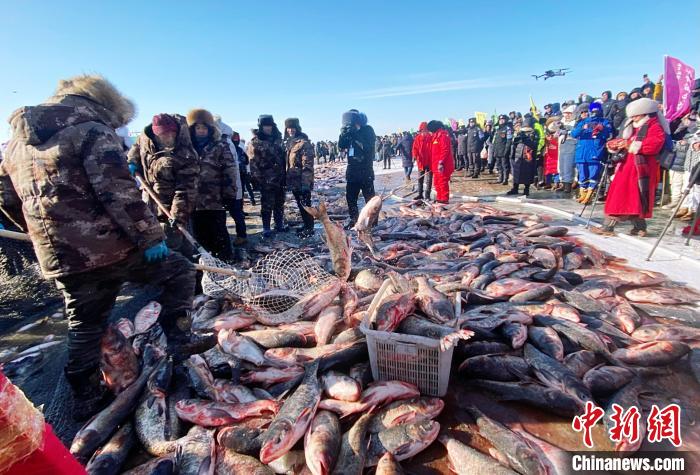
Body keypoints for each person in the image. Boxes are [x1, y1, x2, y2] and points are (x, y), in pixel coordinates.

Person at [0, 75, 195, 420]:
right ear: (106, 104)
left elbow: (6, 197)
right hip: (111, 247)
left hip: (62, 255)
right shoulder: (90, 129)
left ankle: (86, 397)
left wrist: (39, 237)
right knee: (180, 271)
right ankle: (179, 346)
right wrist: (150, 237)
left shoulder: (15, 145)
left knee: (85, 324)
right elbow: (117, 191)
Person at [593, 98, 667, 237]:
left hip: (640, 168)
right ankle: (640, 228)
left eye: (636, 115)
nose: (633, 117)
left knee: (624, 195)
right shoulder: (633, 125)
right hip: (628, 166)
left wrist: (629, 145)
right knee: (634, 197)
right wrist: (615, 144)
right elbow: (625, 140)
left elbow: (654, 145)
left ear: (646, 113)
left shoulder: (654, 126)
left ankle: (608, 227)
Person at [128, 113, 199, 256]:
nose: (168, 138)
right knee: (156, 242)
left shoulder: (185, 154)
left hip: (172, 206)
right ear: (155, 133)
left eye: (171, 134)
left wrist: (177, 216)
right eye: (163, 135)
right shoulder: (145, 139)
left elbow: (185, 190)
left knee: (177, 244)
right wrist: (132, 161)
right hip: (150, 201)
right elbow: (136, 148)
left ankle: (190, 272)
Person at [187, 109, 239, 258]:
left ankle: (225, 261)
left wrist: (230, 194)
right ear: (192, 129)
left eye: (204, 128)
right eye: (198, 128)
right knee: (198, 234)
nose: (201, 131)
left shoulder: (220, 146)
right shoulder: (187, 148)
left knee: (219, 232)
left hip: (215, 199)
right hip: (194, 201)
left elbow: (230, 170)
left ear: (210, 129)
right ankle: (206, 263)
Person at [249, 115, 288, 238]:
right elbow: (253, 163)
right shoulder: (255, 142)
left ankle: (279, 224)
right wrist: (257, 179)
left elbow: (284, 158)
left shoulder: (278, 139)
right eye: (265, 126)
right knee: (267, 204)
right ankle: (266, 227)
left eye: (269, 125)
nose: (268, 128)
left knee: (279, 202)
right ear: (261, 127)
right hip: (266, 179)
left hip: (280, 178)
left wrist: (286, 175)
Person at [339, 110, 376, 227]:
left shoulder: (368, 130)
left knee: (369, 198)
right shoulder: (348, 132)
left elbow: (368, 147)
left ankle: (372, 221)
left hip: (365, 170)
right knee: (351, 197)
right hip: (352, 170)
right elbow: (341, 146)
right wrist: (343, 135)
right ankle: (354, 219)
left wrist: (356, 134)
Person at [571, 102, 613, 204]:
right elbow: (574, 134)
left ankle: (589, 195)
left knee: (593, 175)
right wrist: (582, 128)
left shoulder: (604, 122)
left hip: (595, 152)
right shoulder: (583, 122)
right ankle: (583, 194)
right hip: (581, 153)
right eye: (592, 111)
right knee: (582, 175)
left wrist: (602, 129)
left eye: (596, 111)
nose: (594, 113)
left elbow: (609, 134)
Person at [214, 116, 246, 246]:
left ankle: (241, 235)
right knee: (235, 211)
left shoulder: (224, 142)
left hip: (230, 184)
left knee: (235, 211)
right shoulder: (228, 140)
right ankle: (240, 235)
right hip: (231, 183)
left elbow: (229, 166)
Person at [284, 118, 315, 238]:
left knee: (305, 204)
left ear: (297, 128)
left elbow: (307, 165)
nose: (291, 130)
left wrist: (306, 184)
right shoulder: (289, 143)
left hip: (302, 181)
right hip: (294, 181)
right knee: (300, 204)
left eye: (293, 128)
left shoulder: (304, 143)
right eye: (288, 128)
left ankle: (309, 228)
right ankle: (306, 225)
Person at [507, 116, 539, 196]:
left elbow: (534, 145)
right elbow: (514, 143)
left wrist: (526, 139)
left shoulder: (534, 133)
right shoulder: (520, 133)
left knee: (527, 173)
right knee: (516, 172)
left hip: (528, 156)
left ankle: (526, 189)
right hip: (518, 154)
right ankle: (515, 188)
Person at [427, 121, 454, 203]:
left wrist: (441, 162)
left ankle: (444, 199)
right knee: (437, 183)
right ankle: (439, 198)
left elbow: (445, 150)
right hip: (435, 164)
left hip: (443, 165)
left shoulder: (443, 136)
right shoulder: (435, 136)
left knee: (442, 182)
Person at [556, 105, 578, 194]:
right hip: (562, 144)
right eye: (566, 113)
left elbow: (575, 132)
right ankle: (563, 183)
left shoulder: (575, 122)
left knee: (568, 164)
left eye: (569, 113)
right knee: (562, 164)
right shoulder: (562, 121)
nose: (567, 115)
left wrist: (567, 130)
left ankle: (568, 185)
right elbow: (554, 129)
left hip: (571, 142)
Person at [233, 131, 256, 206]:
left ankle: (240, 208)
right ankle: (250, 201)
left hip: (239, 173)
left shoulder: (235, 149)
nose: (236, 140)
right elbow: (246, 160)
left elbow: (246, 160)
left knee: (241, 190)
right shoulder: (239, 149)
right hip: (240, 172)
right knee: (242, 189)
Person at [412, 121, 433, 200]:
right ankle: (420, 194)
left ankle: (427, 195)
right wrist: (414, 156)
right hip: (421, 162)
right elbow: (414, 149)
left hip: (430, 162)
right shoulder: (417, 138)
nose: (423, 132)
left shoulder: (431, 138)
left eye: (425, 130)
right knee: (420, 179)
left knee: (429, 180)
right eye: (422, 130)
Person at [491, 115, 513, 185]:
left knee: (505, 166)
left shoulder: (508, 129)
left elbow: (509, 141)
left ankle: (505, 179)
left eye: (503, 119)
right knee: (499, 165)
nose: (501, 121)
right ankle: (500, 178)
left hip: (504, 150)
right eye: (500, 120)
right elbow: (494, 141)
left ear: (506, 120)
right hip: (497, 150)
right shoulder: (497, 129)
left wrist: (506, 150)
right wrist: (494, 150)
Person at [544, 117, 561, 189]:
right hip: (549, 153)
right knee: (548, 167)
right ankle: (548, 183)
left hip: (557, 152)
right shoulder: (546, 132)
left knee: (556, 168)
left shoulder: (559, 131)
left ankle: (556, 182)